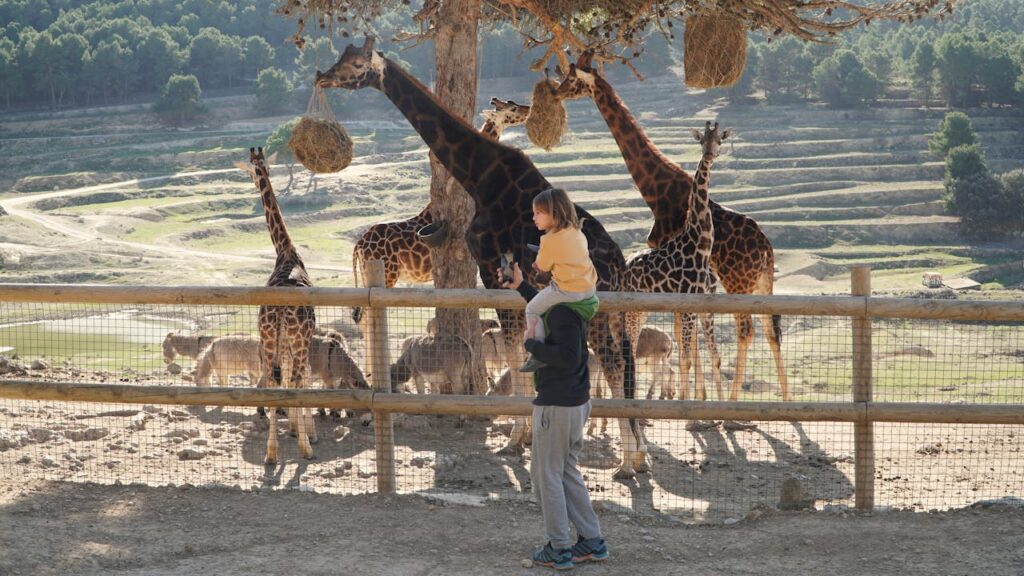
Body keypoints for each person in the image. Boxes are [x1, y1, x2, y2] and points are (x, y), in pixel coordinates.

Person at [500, 259, 609, 570]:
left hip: (556, 405)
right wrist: (521, 286)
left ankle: (559, 547)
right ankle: (591, 540)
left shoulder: (561, 312)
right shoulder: (571, 306)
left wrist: (533, 345)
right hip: (575, 402)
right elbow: (550, 313)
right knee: (565, 471)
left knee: (546, 475)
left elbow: (568, 355)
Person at [519, 188, 598, 373]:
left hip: (567, 291)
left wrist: (539, 261)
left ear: (554, 213)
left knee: (532, 309)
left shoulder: (548, 240)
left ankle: (537, 354)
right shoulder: (577, 231)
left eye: (538, 213)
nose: (534, 218)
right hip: (588, 289)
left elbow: (542, 267)